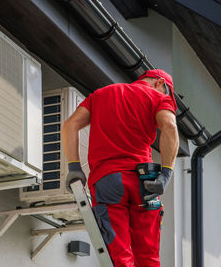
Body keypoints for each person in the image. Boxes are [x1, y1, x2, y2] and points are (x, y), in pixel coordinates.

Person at [61, 69, 179, 267]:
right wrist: (166, 174)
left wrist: (74, 167)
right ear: (160, 83)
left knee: (120, 256)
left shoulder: (100, 95)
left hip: (107, 180)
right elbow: (170, 127)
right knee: (148, 256)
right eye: (167, 94)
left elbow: (70, 125)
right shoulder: (157, 98)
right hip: (144, 182)